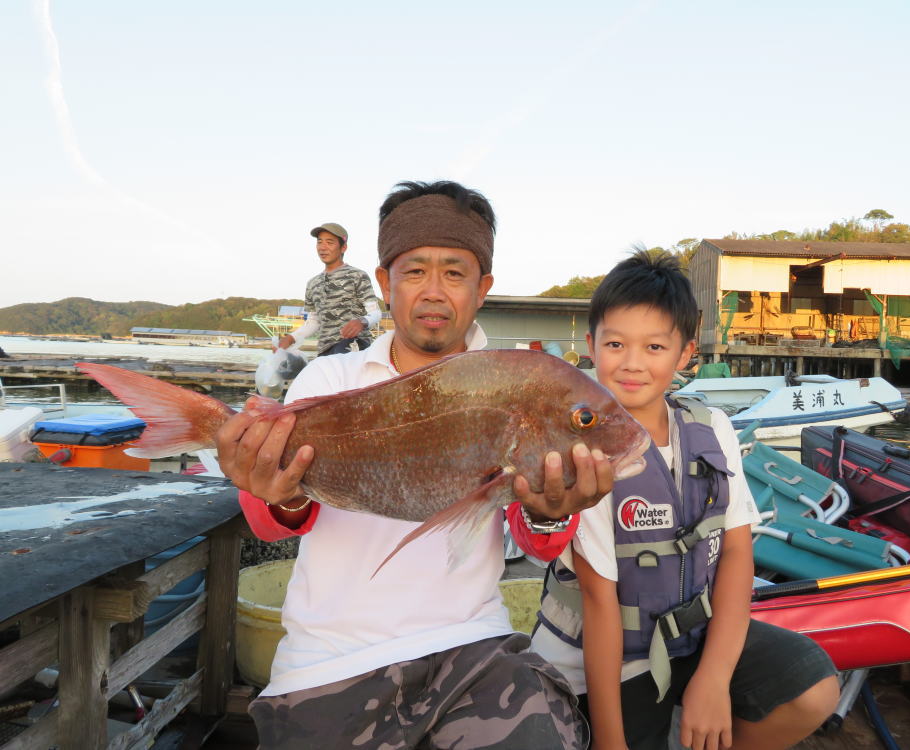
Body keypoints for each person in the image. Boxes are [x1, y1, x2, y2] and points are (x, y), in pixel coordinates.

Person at [216, 181, 614, 749]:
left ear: (483, 288)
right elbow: (270, 521)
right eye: (415, 271)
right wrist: (276, 492)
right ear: (385, 282)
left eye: (454, 273)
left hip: (472, 647)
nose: (433, 291)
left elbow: (539, 543)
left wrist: (551, 512)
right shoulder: (330, 378)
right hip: (329, 659)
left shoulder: (512, 385)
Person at [529, 250, 840, 750]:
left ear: (685, 353)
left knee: (812, 687)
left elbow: (735, 552)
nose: (632, 363)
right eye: (615, 344)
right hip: (603, 661)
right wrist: (611, 742)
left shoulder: (711, 428)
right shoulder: (580, 456)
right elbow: (600, 604)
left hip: (690, 637)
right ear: (591, 346)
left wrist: (714, 678)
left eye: (654, 346)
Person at [277, 222, 382, 356]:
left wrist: (362, 322)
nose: (323, 247)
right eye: (319, 242)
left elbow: (376, 313)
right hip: (324, 350)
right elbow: (314, 322)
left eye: (329, 242)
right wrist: (290, 338)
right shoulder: (312, 283)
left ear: (343, 247)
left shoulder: (357, 275)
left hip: (353, 347)